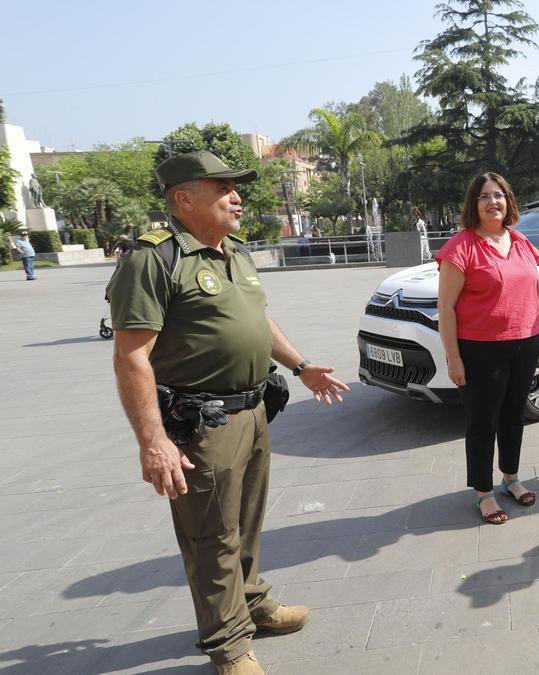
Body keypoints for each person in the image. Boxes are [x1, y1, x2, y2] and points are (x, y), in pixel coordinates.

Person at [107, 151, 350, 675]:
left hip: (253, 408)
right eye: (222, 188)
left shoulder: (234, 252)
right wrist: (153, 441)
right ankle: (228, 645)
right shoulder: (153, 259)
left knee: (246, 523)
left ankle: (254, 603)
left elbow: (257, 320)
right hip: (201, 423)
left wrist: (302, 365)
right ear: (183, 199)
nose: (236, 196)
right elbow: (131, 355)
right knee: (212, 537)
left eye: (235, 187)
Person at [436, 172, 539, 525]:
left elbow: (537, 295)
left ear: (508, 200)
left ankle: (511, 478)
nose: (492, 202)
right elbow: (446, 308)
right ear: (474, 204)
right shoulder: (462, 247)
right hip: (480, 350)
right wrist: (453, 358)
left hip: (526, 342)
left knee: (513, 416)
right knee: (482, 421)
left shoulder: (520, 243)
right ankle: (484, 492)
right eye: (484, 196)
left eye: (498, 195)